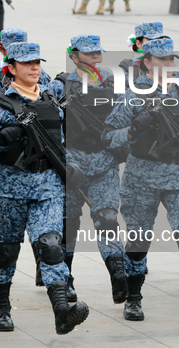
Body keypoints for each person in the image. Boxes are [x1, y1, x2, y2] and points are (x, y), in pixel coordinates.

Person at [104, 38, 179, 322]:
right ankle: (133, 298)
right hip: (142, 177)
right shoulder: (134, 95)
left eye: (172, 59)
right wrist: (132, 131)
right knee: (138, 240)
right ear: (147, 62)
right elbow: (108, 136)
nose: (169, 65)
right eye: (162, 60)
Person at [0, 41, 90, 334]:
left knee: (51, 246)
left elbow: (61, 143)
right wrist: (1, 140)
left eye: (38, 63)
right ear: (11, 68)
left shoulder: (50, 101)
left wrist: (71, 167)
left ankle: (62, 311)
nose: (35, 68)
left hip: (47, 185)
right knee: (6, 251)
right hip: (8, 187)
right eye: (27, 64)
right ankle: (1, 307)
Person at [46, 34, 127, 304]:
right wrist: (62, 160)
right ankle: (65, 278)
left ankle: (118, 274)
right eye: (88, 53)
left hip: (104, 161)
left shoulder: (115, 82)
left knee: (107, 219)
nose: (94, 57)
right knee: (68, 223)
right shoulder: (60, 86)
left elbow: (127, 118)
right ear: (74, 56)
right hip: (73, 161)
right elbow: (49, 125)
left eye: (97, 53)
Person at [0, 28, 50, 95]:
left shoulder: (39, 74)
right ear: (1, 50)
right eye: (11, 49)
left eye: (21, 50)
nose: (17, 54)